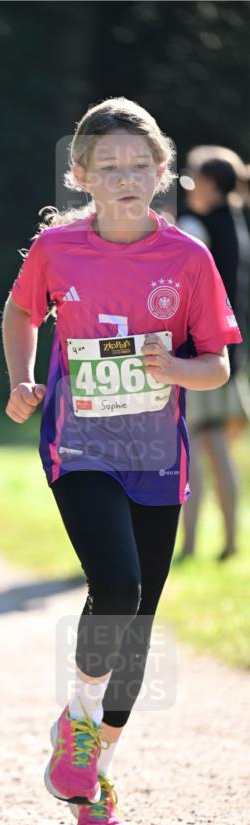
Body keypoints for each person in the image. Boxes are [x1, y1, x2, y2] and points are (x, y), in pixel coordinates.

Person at [2, 97, 242, 825]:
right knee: (115, 586)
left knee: (134, 629)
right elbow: (20, 314)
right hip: (80, 446)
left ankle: (91, 774)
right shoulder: (57, 250)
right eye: (108, 167)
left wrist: (171, 364)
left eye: (139, 165)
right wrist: (22, 379)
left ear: (162, 172)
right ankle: (77, 723)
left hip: (155, 457)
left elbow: (216, 367)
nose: (125, 177)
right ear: (80, 175)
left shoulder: (188, 258)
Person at [177, 147, 250, 560]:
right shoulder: (236, 222)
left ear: (209, 184)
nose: (187, 183)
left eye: (192, 176)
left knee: (193, 450)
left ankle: (187, 546)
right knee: (218, 448)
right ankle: (230, 543)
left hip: (201, 355)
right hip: (229, 354)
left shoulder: (197, 226)